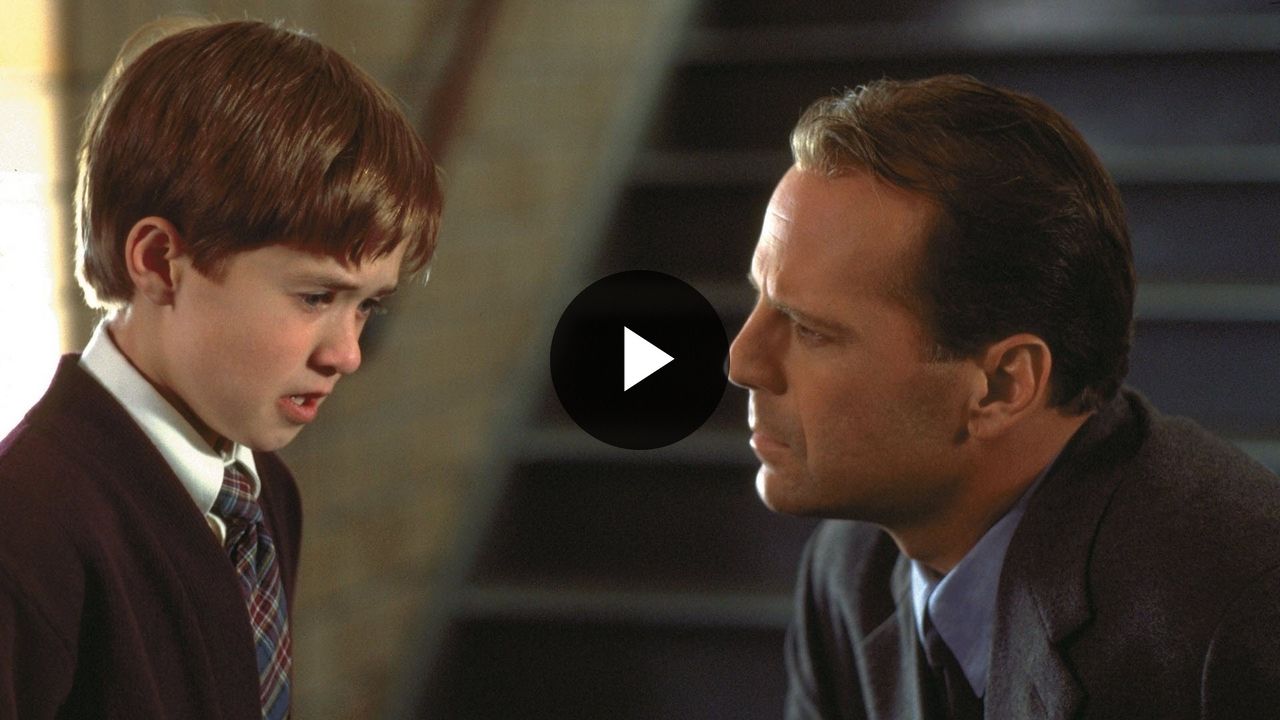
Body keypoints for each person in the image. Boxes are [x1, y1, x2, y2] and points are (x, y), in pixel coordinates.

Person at [727, 74, 1280, 719]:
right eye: (761, 298)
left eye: (810, 329)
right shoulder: (851, 567)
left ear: (1002, 386)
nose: (741, 361)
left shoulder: (1239, 612)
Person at [0, 17, 441, 719]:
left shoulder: (265, 495)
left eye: (367, 307)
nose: (347, 353)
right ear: (158, 263)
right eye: (315, 297)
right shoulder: (29, 525)